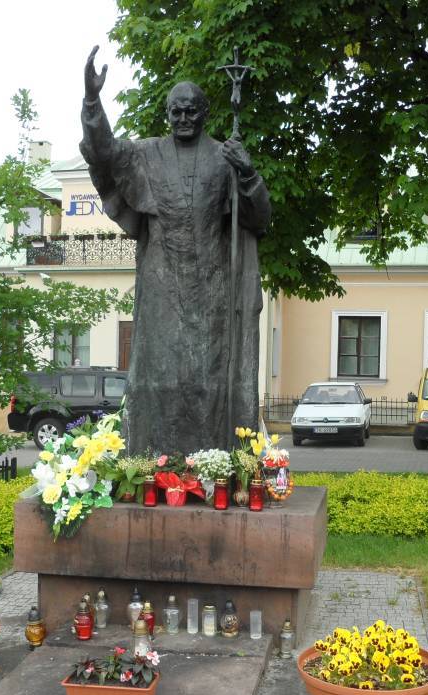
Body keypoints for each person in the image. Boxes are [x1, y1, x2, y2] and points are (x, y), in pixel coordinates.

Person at [80, 46, 271, 454]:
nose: (183, 118)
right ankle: (151, 462)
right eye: (176, 112)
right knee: (156, 378)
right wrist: (93, 102)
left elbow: (257, 219)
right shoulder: (145, 154)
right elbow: (103, 152)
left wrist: (247, 172)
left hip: (212, 289)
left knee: (209, 379)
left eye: (191, 112)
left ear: (205, 114)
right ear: (167, 114)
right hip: (161, 285)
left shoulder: (225, 157)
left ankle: (213, 462)